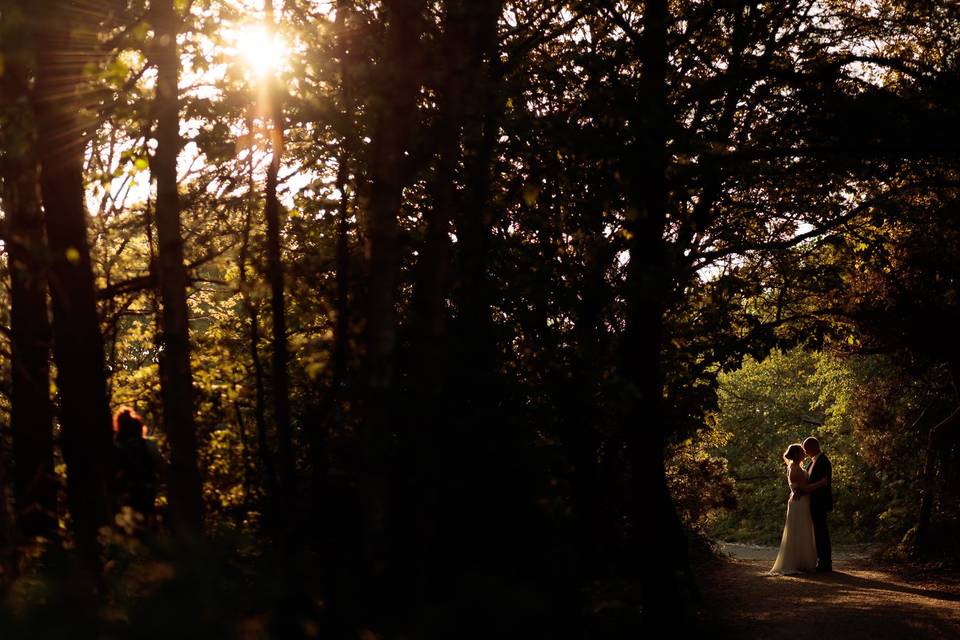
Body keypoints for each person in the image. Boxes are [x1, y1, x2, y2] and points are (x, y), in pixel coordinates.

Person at [112, 407, 164, 532]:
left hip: (123, 497)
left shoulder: (115, 447)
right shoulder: (147, 445)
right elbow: (163, 469)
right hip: (146, 494)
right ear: (138, 426)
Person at [768, 443, 817, 575]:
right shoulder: (795, 468)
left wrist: (796, 489)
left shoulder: (794, 467)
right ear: (796, 454)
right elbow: (805, 488)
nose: (804, 453)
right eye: (802, 451)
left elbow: (798, 486)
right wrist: (821, 483)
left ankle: (800, 561)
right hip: (800, 502)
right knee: (800, 530)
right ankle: (800, 562)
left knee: (799, 530)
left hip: (799, 501)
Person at [794, 436, 833, 572]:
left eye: (806, 448)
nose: (804, 451)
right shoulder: (812, 462)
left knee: (822, 532)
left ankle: (825, 563)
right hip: (813, 503)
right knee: (818, 532)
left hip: (820, 502)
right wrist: (800, 490)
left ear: (812, 447)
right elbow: (808, 483)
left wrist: (804, 490)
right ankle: (822, 561)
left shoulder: (823, 461)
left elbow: (823, 484)